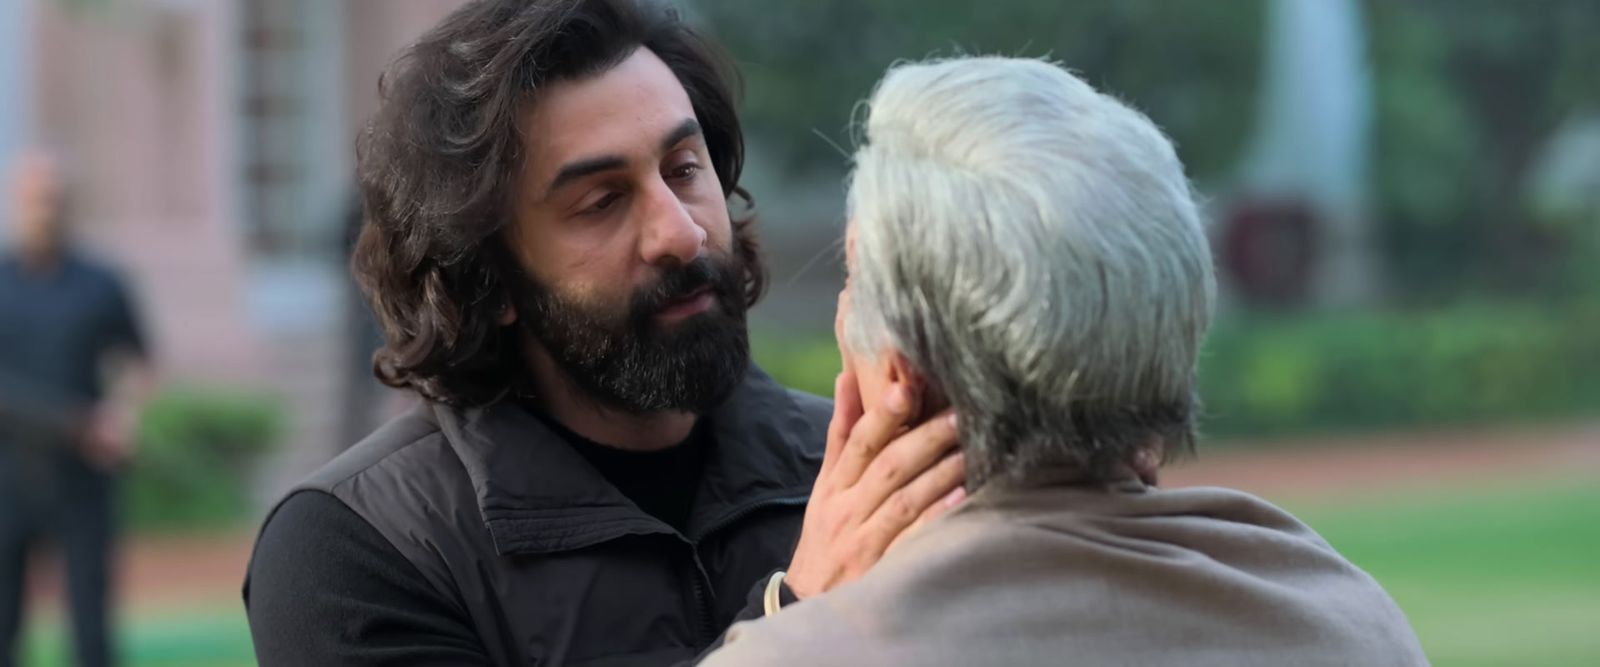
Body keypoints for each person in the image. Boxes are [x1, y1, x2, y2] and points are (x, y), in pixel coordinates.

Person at [242, 1, 965, 665]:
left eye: (684, 169)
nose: (680, 233)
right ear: (491, 281)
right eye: (602, 202)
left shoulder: (872, 480)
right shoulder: (356, 551)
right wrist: (797, 614)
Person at [702, 56, 1429, 667]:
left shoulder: (803, 652)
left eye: (852, 279)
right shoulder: (1351, 620)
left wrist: (786, 606)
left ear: (899, 372)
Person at [0, 149, 153, 667]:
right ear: (17, 204)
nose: (45, 209)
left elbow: (139, 361)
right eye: (34, 199)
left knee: (92, 634)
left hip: (83, 481)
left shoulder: (100, 282)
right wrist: (76, 423)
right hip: (7, 479)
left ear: (69, 205)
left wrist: (121, 412)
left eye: (54, 199)